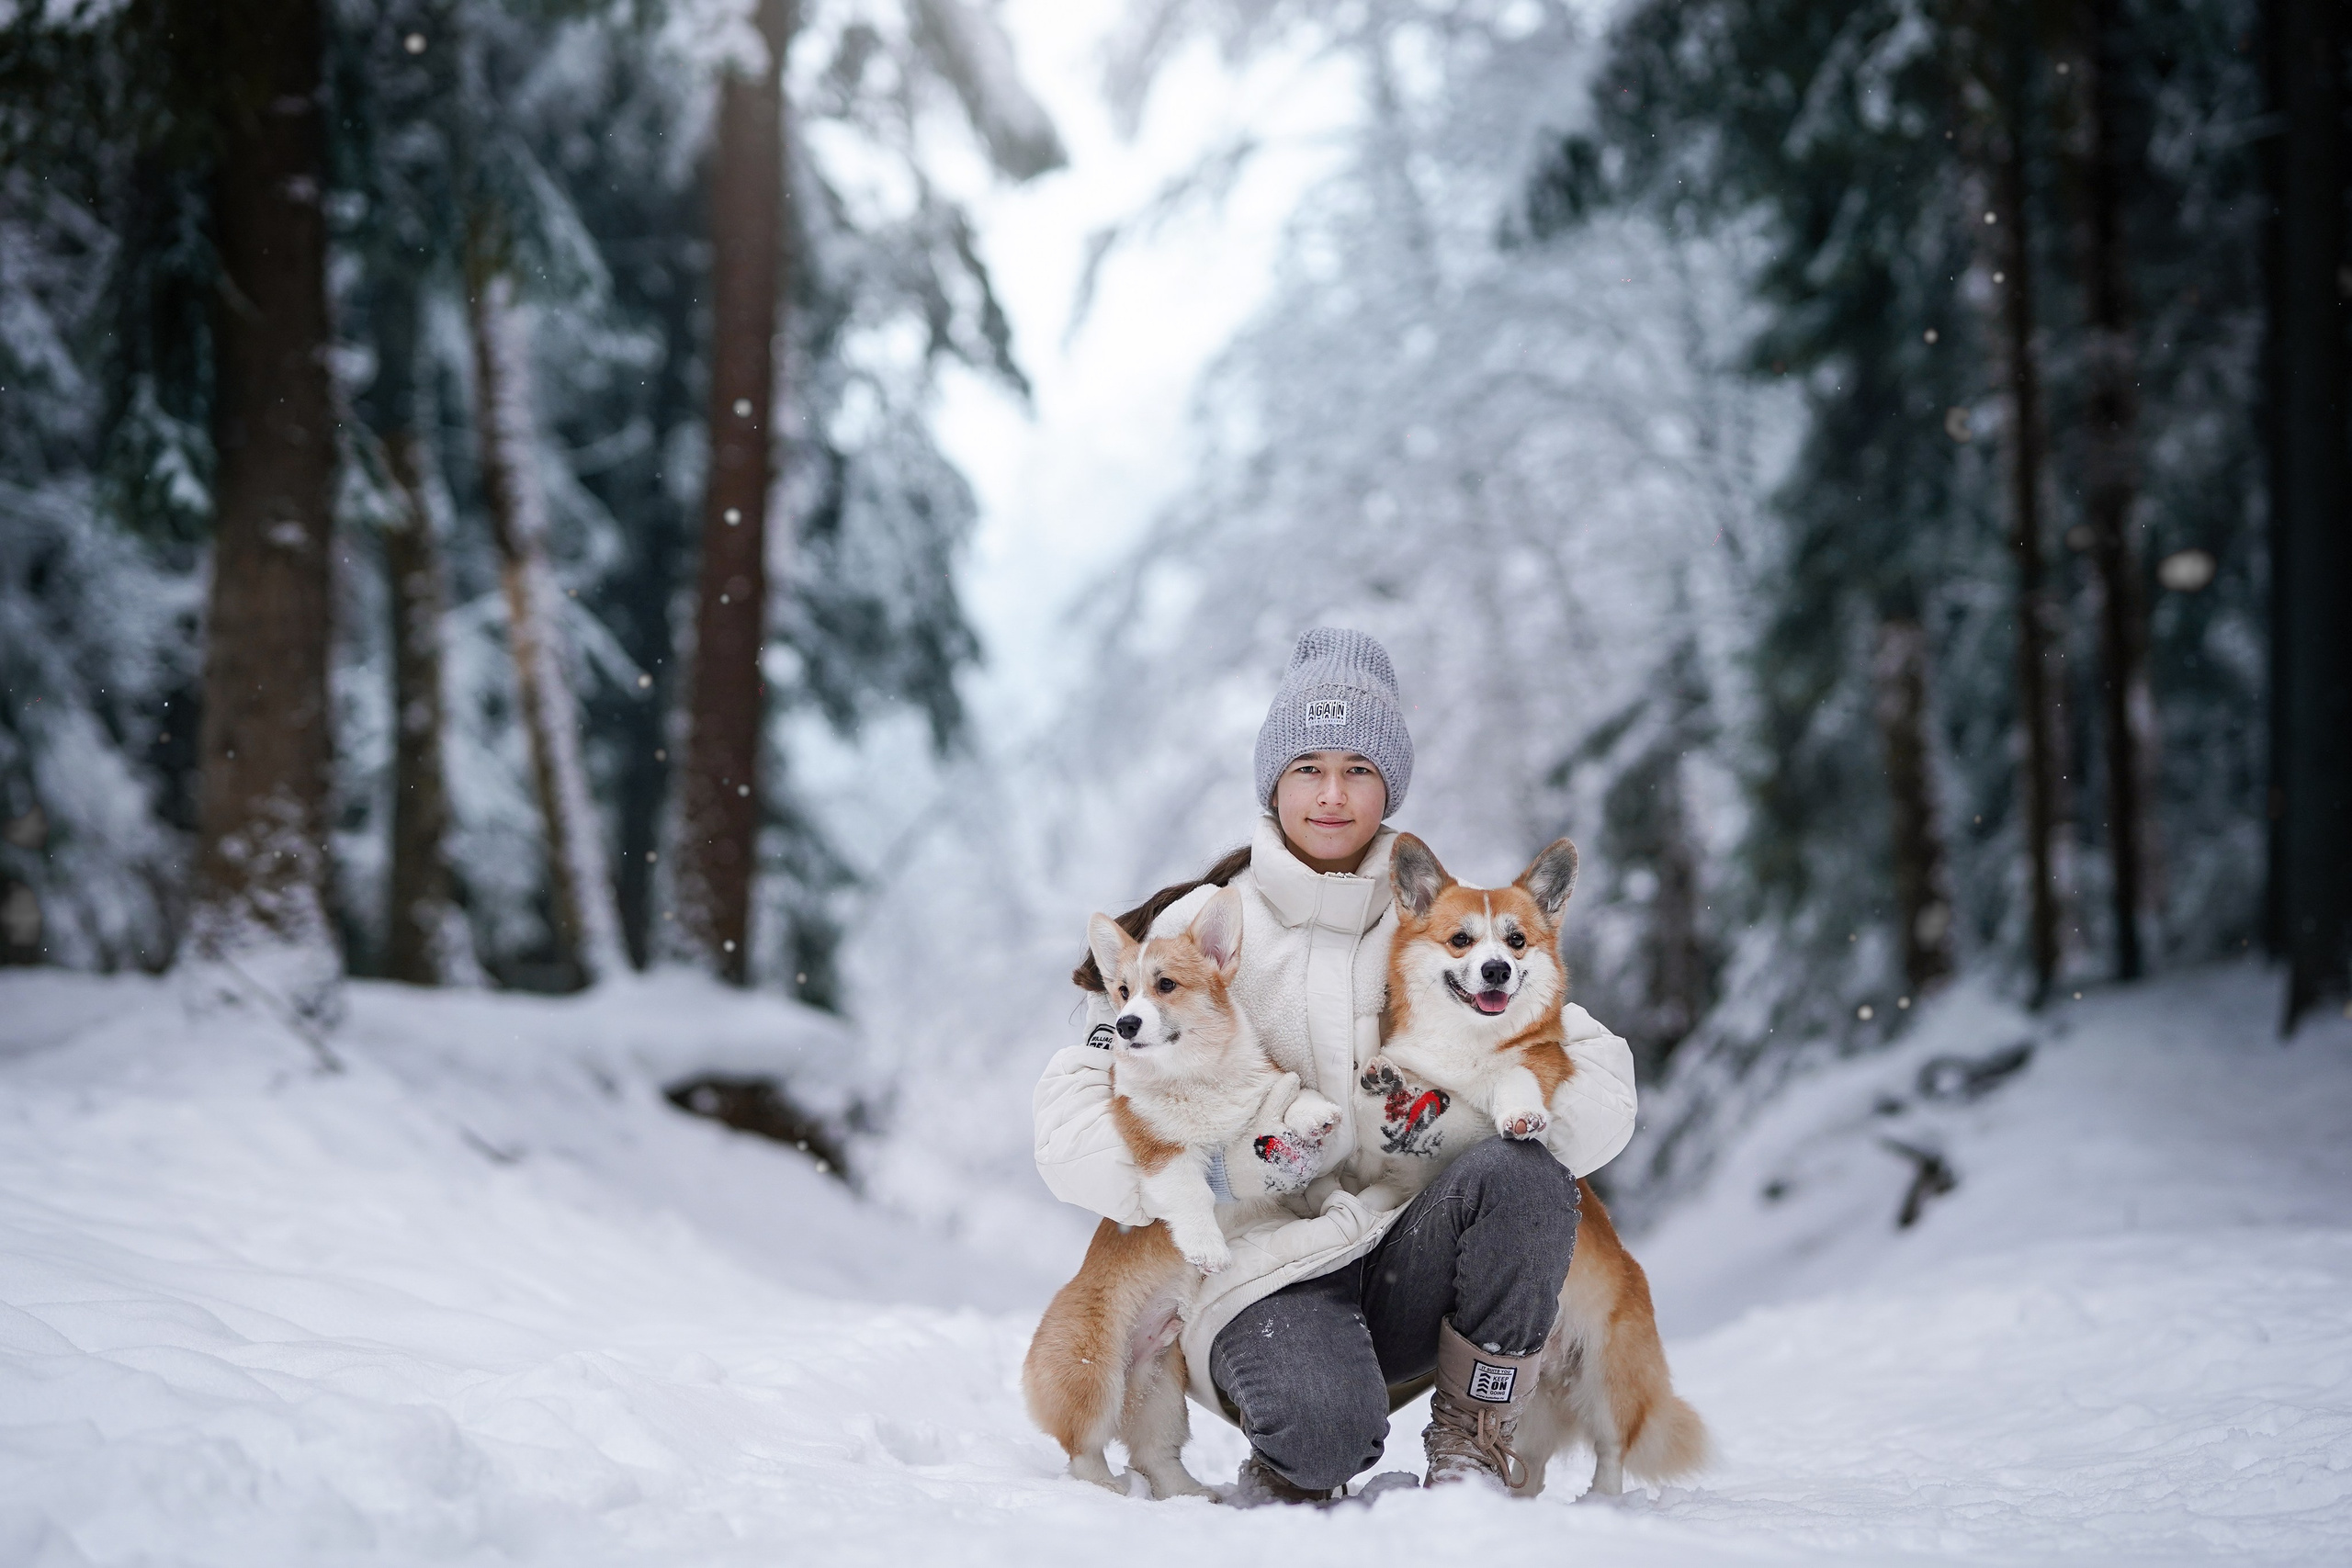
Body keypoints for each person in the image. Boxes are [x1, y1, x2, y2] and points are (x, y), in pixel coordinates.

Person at [1033, 627, 1638, 1502]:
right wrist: (1219, 1170)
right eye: (1307, 766)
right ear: (1272, 780)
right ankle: (1304, 1425)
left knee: (1527, 1175)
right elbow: (1071, 1125)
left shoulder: (1443, 921)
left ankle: (1476, 1436)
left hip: (1408, 1257)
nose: (1331, 793)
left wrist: (1498, 1111)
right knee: (1321, 1441)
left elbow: (1589, 1069)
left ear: (1389, 783)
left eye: (1358, 768)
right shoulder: (1195, 928)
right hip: (1258, 1277)